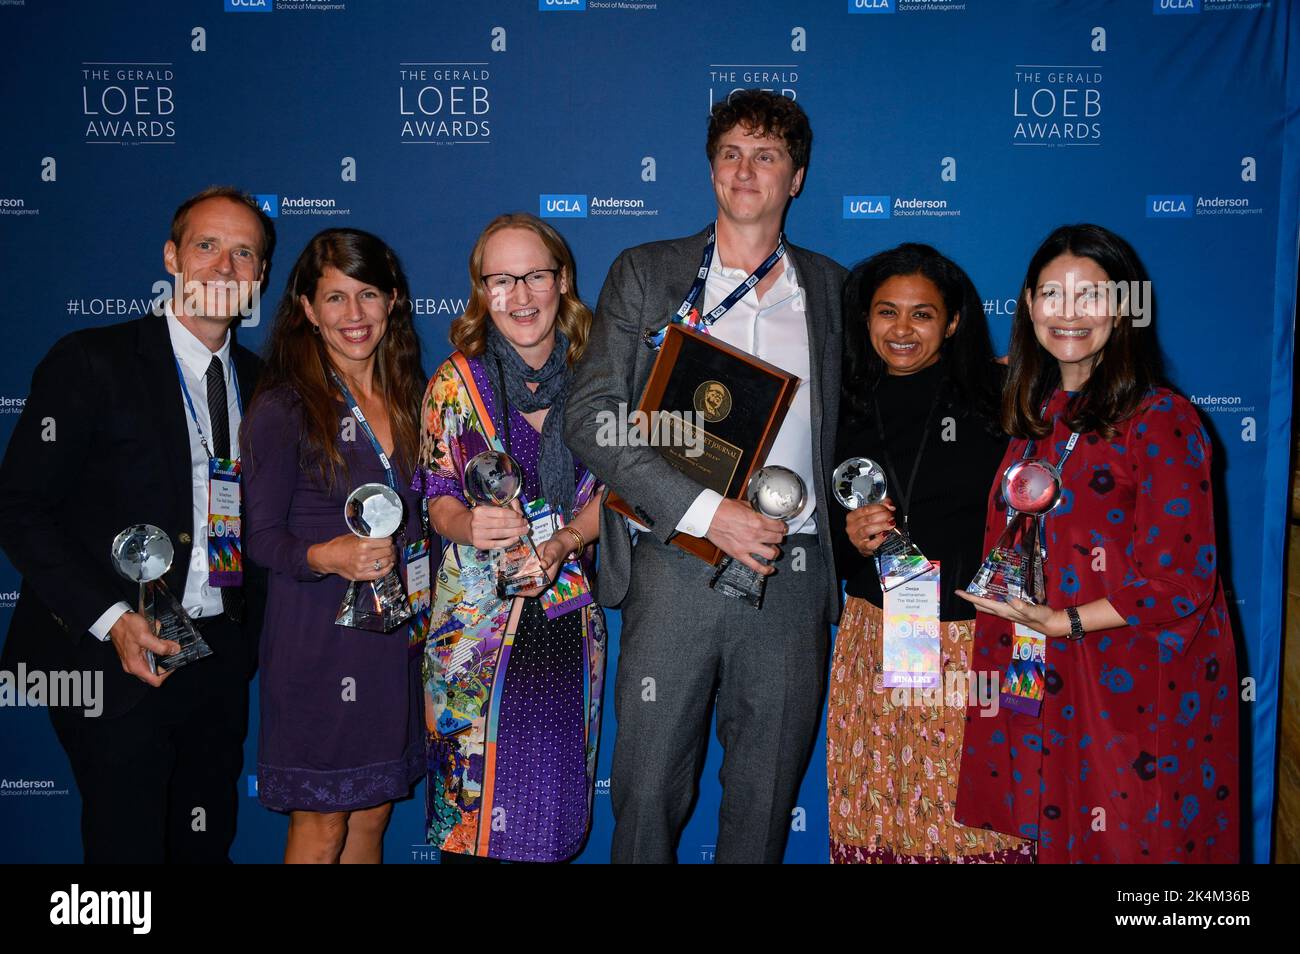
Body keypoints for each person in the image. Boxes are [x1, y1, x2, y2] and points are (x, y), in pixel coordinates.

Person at [565, 90, 845, 863]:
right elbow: (592, 417)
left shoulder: (833, 290)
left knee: (763, 801)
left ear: (797, 178)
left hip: (791, 569)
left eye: (767, 155)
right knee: (648, 788)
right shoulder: (648, 273)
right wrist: (703, 512)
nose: (746, 169)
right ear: (710, 169)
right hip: (674, 560)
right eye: (730, 153)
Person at [0, 186, 272, 862]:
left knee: (204, 846)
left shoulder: (264, 384)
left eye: (244, 253)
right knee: (126, 856)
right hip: (111, 659)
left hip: (216, 657)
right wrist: (114, 618)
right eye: (207, 246)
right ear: (172, 257)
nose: (224, 267)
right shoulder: (93, 360)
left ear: (260, 277)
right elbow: (19, 507)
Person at [955, 224, 1241, 863]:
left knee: (1137, 854)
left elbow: (1181, 580)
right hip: (1042, 672)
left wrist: (1065, 620)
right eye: (1053, 295)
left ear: (1126, 309)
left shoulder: (1162, 418)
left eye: (1092, 296)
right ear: (1028, 307)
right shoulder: (1034, 414)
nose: (1070, 313)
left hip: (1130, 681)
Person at [828, 243, 1032, 863]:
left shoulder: (1003, 397)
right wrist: (849, 537)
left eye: (922, 314)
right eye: (887, 312)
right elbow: (812, 543)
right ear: (866, 319)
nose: (902, 329)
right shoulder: (841, 406)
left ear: (953, 321)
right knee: (879, 813)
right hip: (875, 635)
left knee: (975, 824)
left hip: (982, 639)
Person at [417, 212, 606, 863]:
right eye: (502, 280)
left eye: (535, 276)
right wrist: (470, 524)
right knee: (475, 831)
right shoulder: (455, 383)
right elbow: (438, 502)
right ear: (481, 290)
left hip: (562, 628)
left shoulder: (598, 379)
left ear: (562, 281)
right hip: (476, 638)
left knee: (546, 830)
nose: (521, 296)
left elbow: (618, 494)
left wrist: (564, 541)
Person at [242, 228, 426, 864]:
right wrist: (328, 555)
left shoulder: (412, 398)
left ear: (393, 301)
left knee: (372, 816)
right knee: (321, 824)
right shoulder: (285, 405)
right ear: (307, 309)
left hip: (392, 635)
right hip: (316, 639)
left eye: (368, 295)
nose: (354, 316)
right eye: (336, 299)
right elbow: (257, 536)